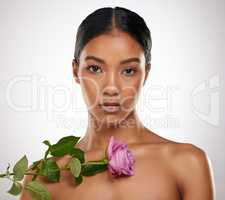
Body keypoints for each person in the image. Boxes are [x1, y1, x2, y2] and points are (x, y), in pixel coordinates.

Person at [20, 6, 215, 200]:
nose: (111, 87)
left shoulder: (186, 163)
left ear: (145, 73)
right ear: (75, 71)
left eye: (128, 71)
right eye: (95, 68)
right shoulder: (41, 179)